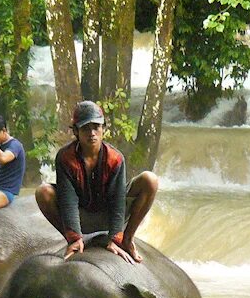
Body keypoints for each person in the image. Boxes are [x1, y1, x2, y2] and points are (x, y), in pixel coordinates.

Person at [35, 100, 158, 264]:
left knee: (150, 180)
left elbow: (117, 199)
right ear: (76, 132)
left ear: (103, 130)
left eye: (96, 127)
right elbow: (68, 199)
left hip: (108, 212)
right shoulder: (65, 157)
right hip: (82, 215)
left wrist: (116, 237)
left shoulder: (115, 158)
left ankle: (127, 240)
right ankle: (75, 241)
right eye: (85, 128)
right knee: (43, 192)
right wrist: (74, 236)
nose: (92, 133)